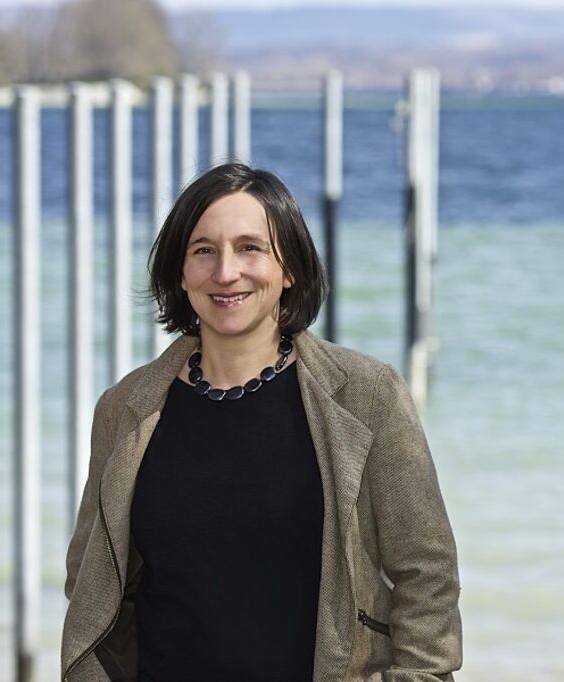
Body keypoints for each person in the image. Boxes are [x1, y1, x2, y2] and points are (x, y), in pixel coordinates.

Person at [61, 163, 462, 681]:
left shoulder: (369, 396)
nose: (226, 272)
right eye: (203, 251)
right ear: (180, 272)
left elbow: (427, 573)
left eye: (250, 248)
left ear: (289, 268)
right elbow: (89, 573)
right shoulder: (124, 408)